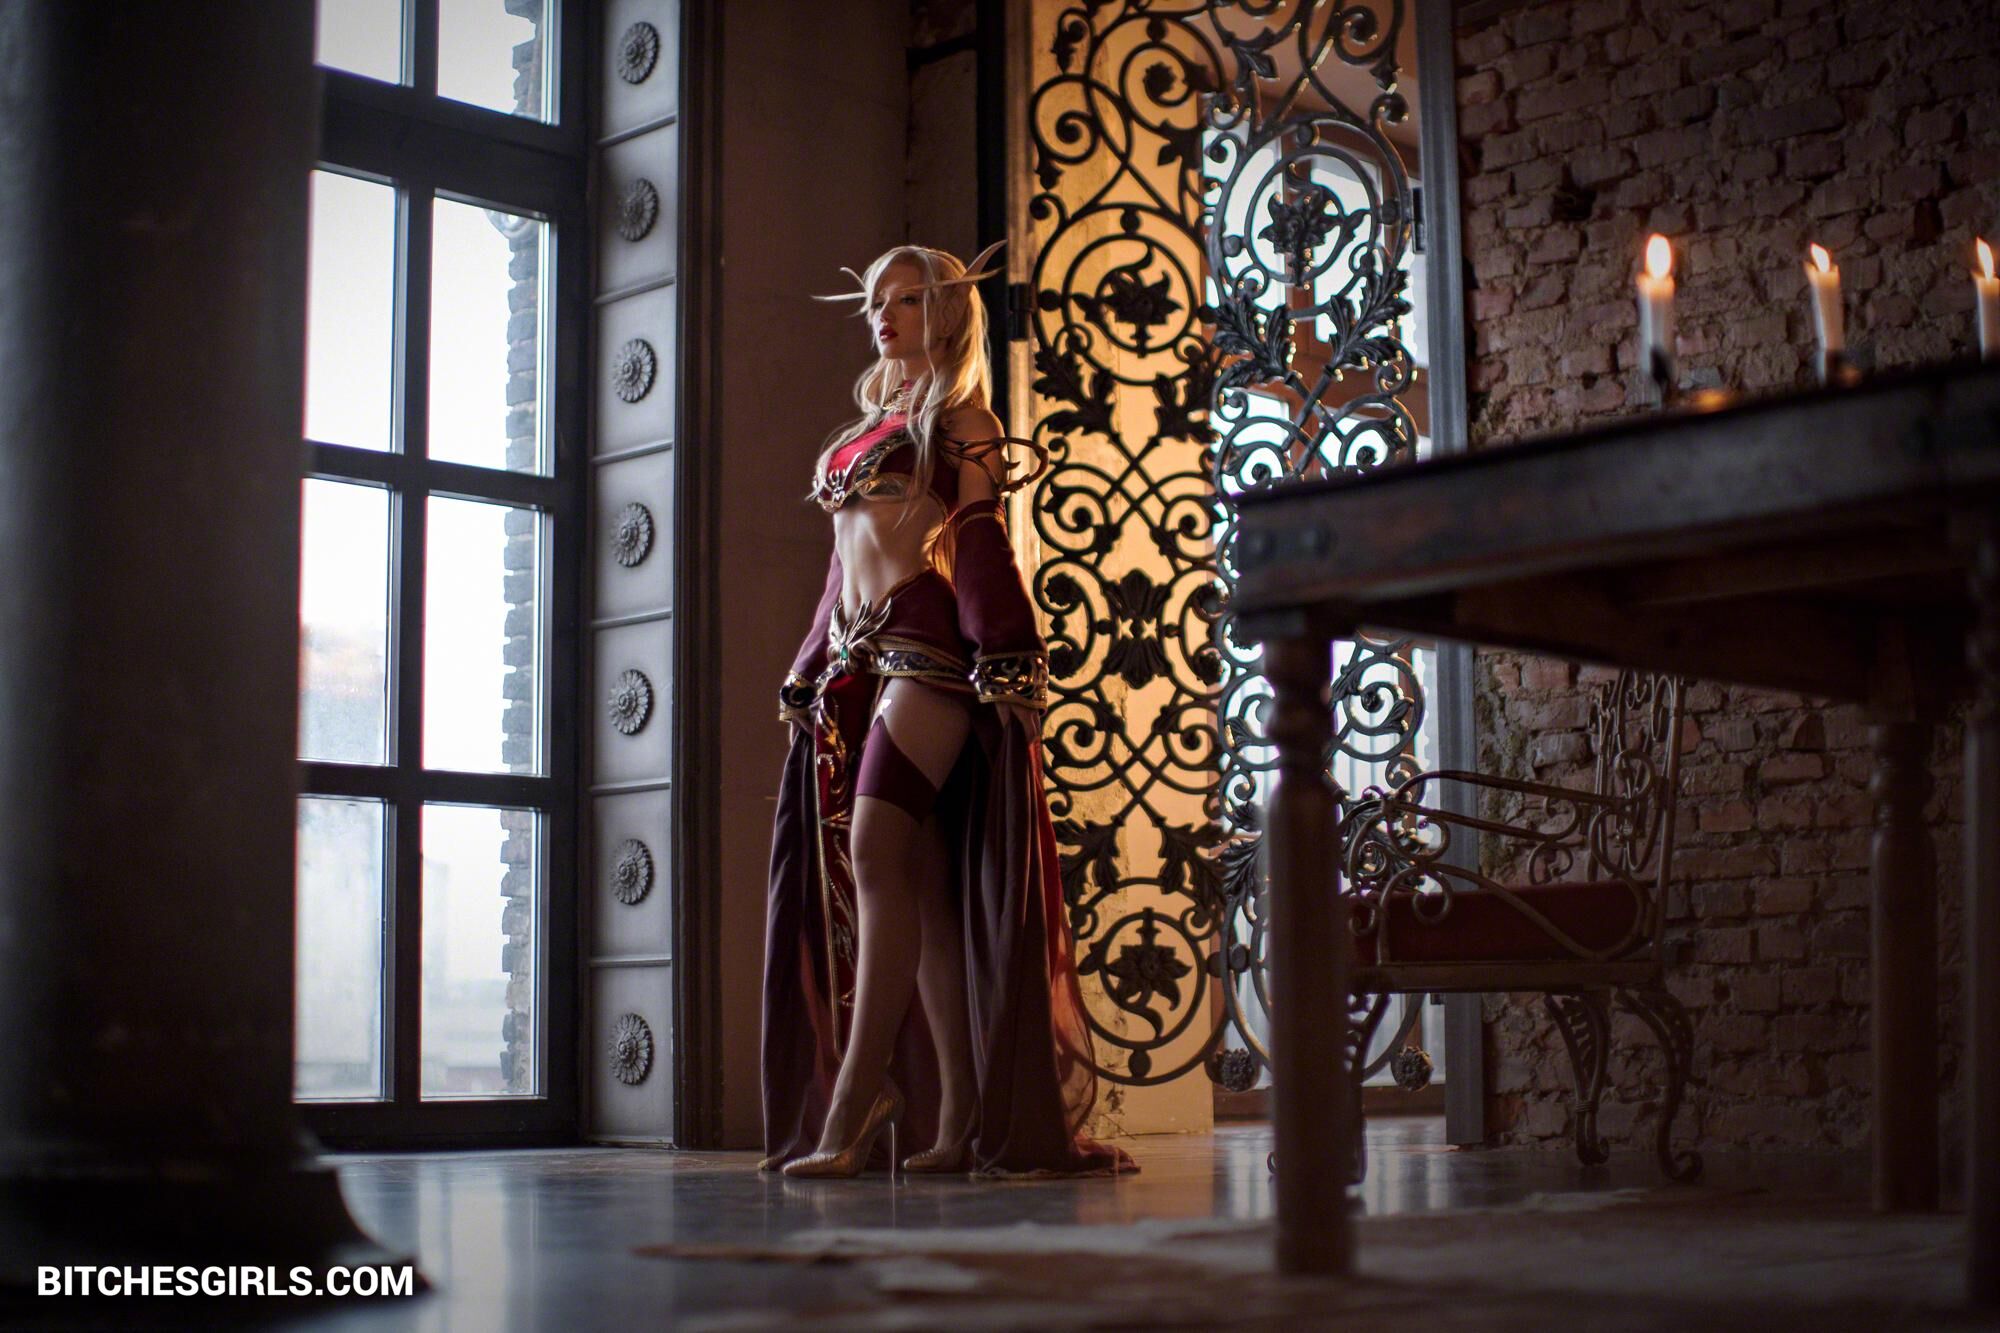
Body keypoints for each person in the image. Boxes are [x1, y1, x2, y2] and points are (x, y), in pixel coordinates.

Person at [761, 242, 1133, 1179]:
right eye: (876, 301)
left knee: (873, 847)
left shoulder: (964, 420)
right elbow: (841, 565)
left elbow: (976, 537)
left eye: (907, 300)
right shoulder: (866, 428)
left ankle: (857, 1100)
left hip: (926, 656)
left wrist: (1007, 653)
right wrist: (808, 665)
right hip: (858, 658)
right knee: (919, 886)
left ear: (949, 315)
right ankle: (957, 1115)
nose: (883, 316)